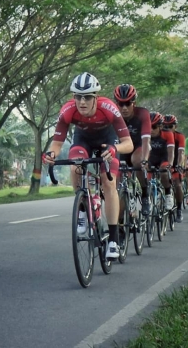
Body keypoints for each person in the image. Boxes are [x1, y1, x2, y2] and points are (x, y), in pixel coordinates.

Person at [42, 72, 133, 260]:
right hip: (82, 140)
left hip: (107, 142)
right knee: (75, 166)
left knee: (109, 183)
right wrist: (51, 154)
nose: (82, 102)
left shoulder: (108, 108)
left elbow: (128, 143)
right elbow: (57, 144)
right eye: (78, 97)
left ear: (96, 98)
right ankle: (83, 210)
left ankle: (114, 240)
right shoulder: (67, 111)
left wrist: (114, 149)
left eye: (87, 97)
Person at [113, 84, 151, 214]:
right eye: (120, 103)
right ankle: (122, 223)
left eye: (127, 103)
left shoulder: (143, 114)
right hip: (122, 150)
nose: (124, 108)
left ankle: (145, 194)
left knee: (137, 160)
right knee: (116, 184)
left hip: (139, 147)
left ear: (134, 103)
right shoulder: (113, 116)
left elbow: (146, 140)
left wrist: (145, 160)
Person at [147, 112, 175, 211]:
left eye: (154, 127)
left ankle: (168, 194)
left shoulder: (168, 134)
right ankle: (149, 199)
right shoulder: (146, 134)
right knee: (147, 177)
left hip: (164, 157)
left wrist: (170, 163)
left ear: (160, 126)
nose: (151, 130)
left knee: (164, 172)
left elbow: (171, 151)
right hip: (152, 157)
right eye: (149, 127)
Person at [162, 114, 185, 222]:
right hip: (162, 163)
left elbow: (181, 153)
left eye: (170, 126)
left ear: (175, 127)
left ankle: (179, 209)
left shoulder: (179, 136)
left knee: (178, 185)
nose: (167, 129)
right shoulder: (159, 135)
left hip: (175, 163)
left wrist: (179, 165)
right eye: (165, 126)